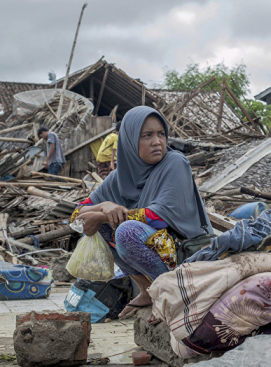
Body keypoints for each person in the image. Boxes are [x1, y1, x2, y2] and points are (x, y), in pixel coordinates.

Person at [71, 106, 212, 319]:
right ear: (129, 141)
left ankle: (170, 293)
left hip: (188, 252)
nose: (157, 141)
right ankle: (147, 290)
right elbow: (76, 216)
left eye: (161, 134)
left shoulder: (175, 163)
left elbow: (158, 217)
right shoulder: (118, 177)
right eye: (147, 136)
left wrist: (102, 215)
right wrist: (103, 207)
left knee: (127, 231)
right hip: (160, 250)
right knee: (101, 227)